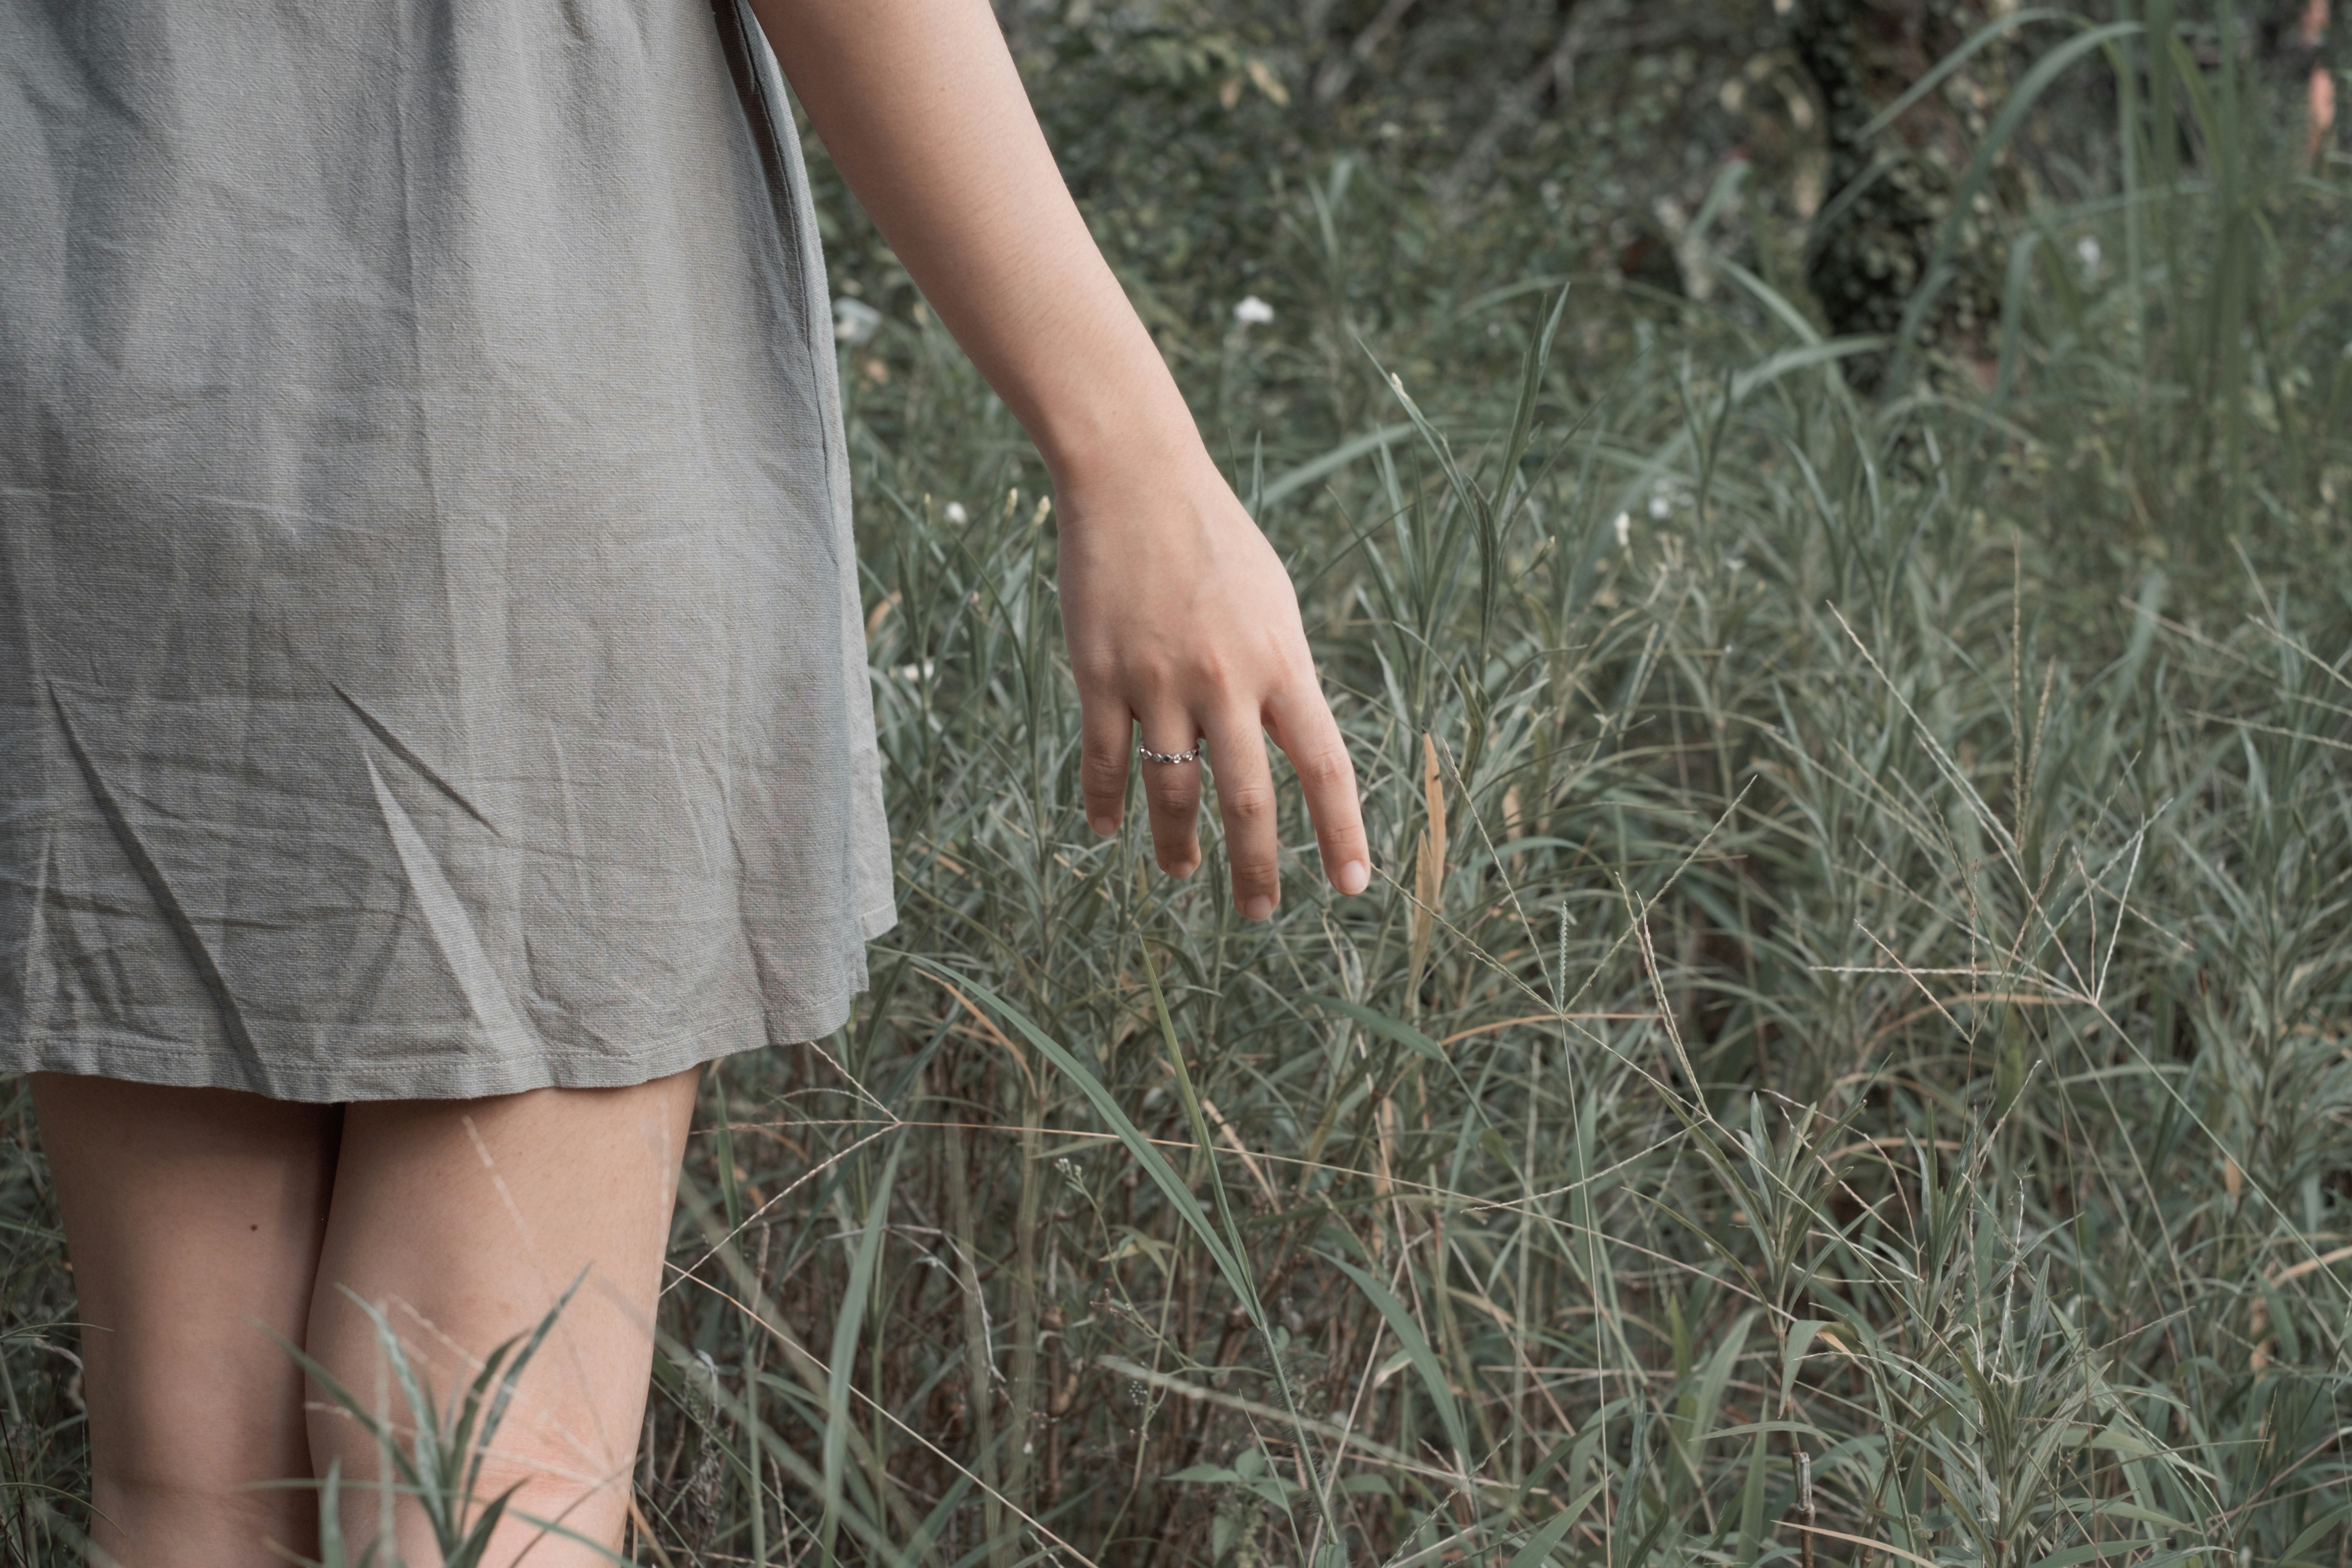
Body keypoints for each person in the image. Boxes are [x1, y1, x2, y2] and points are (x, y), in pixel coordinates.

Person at [0, 0, 1370, 1561]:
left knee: (193, 1481)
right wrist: (1128, 452)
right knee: (477, 1475)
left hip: (91, 342)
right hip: (511, 391)